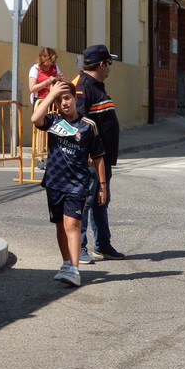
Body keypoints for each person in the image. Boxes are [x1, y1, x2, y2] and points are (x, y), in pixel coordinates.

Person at [31, 81, 107, 287]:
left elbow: (98, 157)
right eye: (59, 100)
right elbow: (35, 119)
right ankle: (66, 263)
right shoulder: (53, 120)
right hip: (54, 182)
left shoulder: (88, 125)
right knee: (60, 225)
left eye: (67, 98)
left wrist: (102, 185)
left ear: (75, 98)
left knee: (72, 225)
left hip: (77, 184)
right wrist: (50, 95)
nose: (64, 103)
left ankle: (74, 269)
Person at [73, 44, 125, 261]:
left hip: (103, 158)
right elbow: (79, 121)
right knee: (85, 203)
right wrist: (87, 152)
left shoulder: (97, 86)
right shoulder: (84, 87)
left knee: (101, 201)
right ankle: (79, 248)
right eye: (109, 63)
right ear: (102, 64)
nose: (110, 67)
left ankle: (103, 244)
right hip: (91, 159)